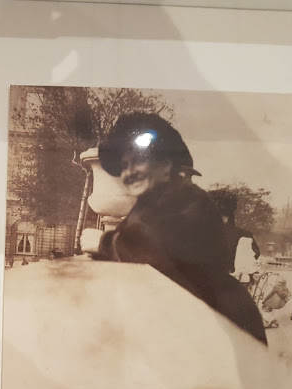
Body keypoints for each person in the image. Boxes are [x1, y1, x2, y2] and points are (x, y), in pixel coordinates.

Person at [80, 112, 267, 345]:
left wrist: (102, 242)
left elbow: (152, 247)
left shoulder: (189, 199)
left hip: (219, 325)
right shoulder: (152, 203)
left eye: (138, 161)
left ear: (165, 165)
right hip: (191, 319)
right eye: (124, 166)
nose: (128, 173)